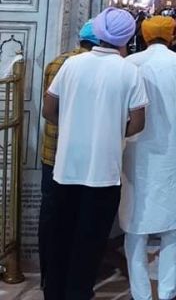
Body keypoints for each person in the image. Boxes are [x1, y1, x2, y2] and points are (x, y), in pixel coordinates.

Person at [42, 7, 147, 300]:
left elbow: (48, 110)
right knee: (90, 243)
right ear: (128, 37)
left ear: (98, 31)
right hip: (104, 173)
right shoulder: (129, 71)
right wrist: (110, 133)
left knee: (60, 238)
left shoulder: (72, 65)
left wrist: (74, 126)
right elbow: (138, 122)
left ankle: (54, 293)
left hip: (65, 169)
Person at [120, 15, 176, 300]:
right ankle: (167, 293)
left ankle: (140, 294)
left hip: (135, 154)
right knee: (173, 229)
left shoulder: (129, 63)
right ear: (171, 35)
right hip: (171, 154)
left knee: (135, 228)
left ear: (143, 35)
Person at [39, 20, 100, 287]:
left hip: (53, 152)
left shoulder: (57, 62)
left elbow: (49, 109)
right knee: (82, 219)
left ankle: (48, 275)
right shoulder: (100, 68)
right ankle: (77, 279)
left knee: (52, 215)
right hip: (86, 156)